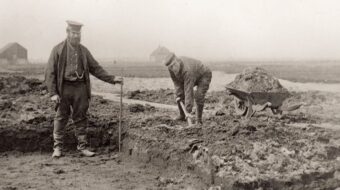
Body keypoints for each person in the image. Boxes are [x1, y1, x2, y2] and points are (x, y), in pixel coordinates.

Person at [45, 20, 123, 158]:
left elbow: (95, 68)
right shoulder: (57, 50)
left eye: (78, 33)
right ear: (67, 32)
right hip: (64, 88)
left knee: (81, 117)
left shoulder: (84, 51)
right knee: (61, 117)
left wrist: (112, 79)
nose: (76, 36)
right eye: (73, 33)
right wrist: (53, 93)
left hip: (80, 88)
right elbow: (50, 72)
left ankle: (83, 147)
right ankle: (57, 148)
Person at [162, 52, 212, 125]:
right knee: (179, 94)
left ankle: (199, 120)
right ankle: (182, 115)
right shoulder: (171, 69)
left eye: (173, 65)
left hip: (204, 74)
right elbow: (176, 82)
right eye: (170, 67)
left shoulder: (187, 70)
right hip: (192, 76)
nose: (173, 68)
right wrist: (179, 94)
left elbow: (188, 90)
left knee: (199, 96)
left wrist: (188, 111)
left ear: (177, 60)